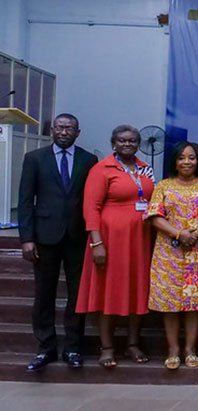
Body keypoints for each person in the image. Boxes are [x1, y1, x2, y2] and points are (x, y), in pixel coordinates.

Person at [18, 113, 98, 371]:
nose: (64, 132)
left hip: (77, 236)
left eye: (69, 128)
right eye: (60, 127)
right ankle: (46, 347)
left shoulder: (89, 160)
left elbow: (92, 200)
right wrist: (27, 238)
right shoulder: (34, 158)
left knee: (77, 295)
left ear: (78, 132)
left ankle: (73, 347)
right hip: (44, 236)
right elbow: (25, 200)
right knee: (44, 294)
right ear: (52, 130)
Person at [75, 125, 156, 368]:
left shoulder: (145, 169)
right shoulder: (102, 169)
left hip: (140, 240)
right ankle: (107, 346)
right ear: (114, 143)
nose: (127, 144)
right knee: (107, 290)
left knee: (137, 290)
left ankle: (133, 344)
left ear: (138, 144)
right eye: (122, 140)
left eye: (132, 141)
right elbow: (91, 208)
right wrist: (97, 243)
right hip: (110, 240)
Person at [144, 142, 198, 370]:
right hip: (168, 252)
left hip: (197, 252)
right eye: (181, 158)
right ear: (174, 161)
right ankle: (173, 350)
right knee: (170, 304)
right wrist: (178, 233)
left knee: (193, 303)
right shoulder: (163, 185)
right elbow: (154, 216)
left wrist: (197, 232)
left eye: (191, 157)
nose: (187, 162)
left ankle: (190, 349)